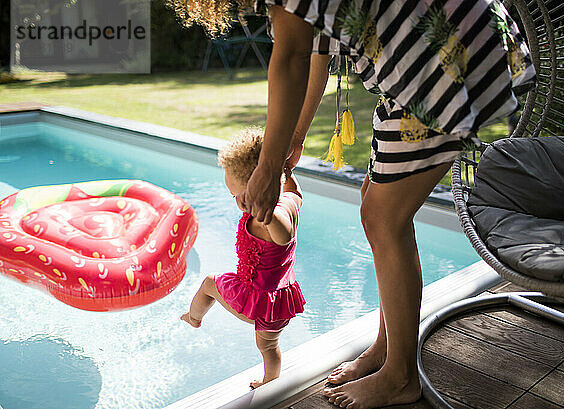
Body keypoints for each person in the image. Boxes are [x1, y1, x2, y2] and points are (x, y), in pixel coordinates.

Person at [172, 1, 536, 407]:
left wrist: (270, 164)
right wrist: (295, 137)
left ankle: (400, 376)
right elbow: (315, 54)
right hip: (414, 70)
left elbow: (291, 57)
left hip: (437, 64)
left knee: (384, 220)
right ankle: (386, 349)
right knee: (375, 207)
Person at [180, 127, 305, 389]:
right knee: (268, 346)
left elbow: (284, 235)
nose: (238, 202)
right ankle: (270, 381)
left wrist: (267, 211)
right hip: (279, 301)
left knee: (209, 284)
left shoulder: (273, 217)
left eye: (241, 195)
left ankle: (194, 317)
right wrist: (286, 173)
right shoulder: (291, 199)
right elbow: (294, 191)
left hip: (256, 298)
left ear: (262, 189)